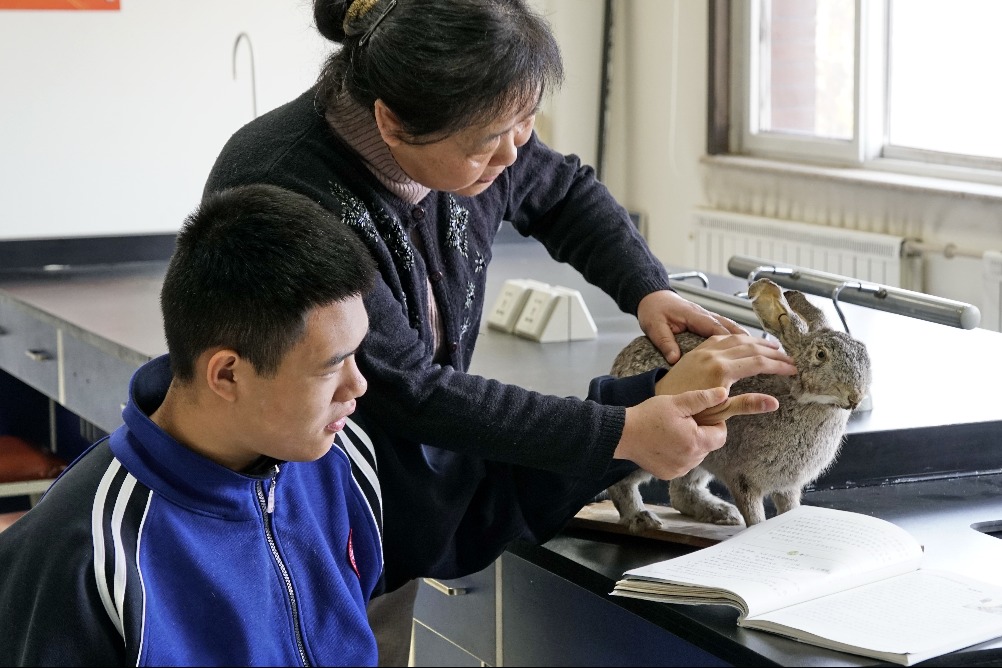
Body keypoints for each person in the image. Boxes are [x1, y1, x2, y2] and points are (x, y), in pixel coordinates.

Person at [204, 0, 796, 662]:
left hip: (379, 509)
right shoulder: (291, 190)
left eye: (527, 121)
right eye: (491, 140)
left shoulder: (469, 128)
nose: (514, 151)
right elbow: (408, 392)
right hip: (294, 522)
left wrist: (647, 286)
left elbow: (563, 192)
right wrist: (623, 429)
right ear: (392, 124)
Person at [0, 184, 764, 667]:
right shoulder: (85, 554)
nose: (360, 387)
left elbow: (479, 499)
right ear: (227, 372)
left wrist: (643, 407)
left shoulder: (335, 462)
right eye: (331, 365)